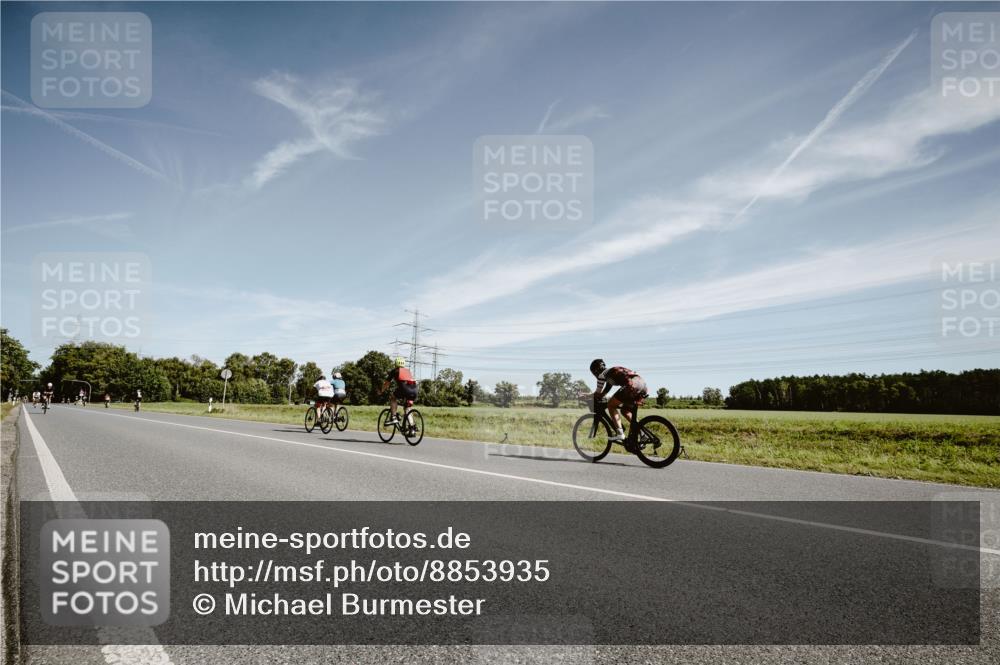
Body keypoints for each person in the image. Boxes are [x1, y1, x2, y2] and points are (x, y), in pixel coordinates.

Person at [589, 359, 648, 449]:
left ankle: (620, 433)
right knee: (625, 411)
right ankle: (643, 434)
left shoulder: (602, 375)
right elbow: (605, 391)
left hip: (631, 385)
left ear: (596, 371)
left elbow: (597, 394)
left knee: (610, 405)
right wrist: (601, 396)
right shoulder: (610, 373)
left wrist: (585, 396)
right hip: (642, 384)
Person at [381, 357, 417, 425]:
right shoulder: (408, 371)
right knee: (407, 408)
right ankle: (412, 427)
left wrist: (382, 390)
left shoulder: (395, 371)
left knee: (393, 398)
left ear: (395, 364)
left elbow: (386, 383)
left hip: (405, 389)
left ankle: (394, 417)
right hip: (414, 390)